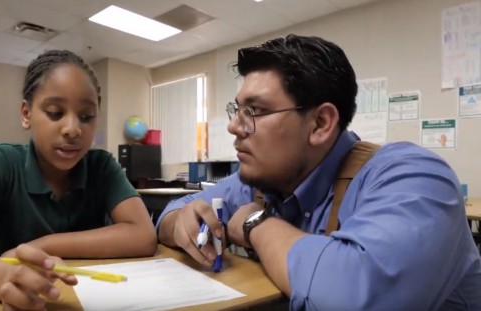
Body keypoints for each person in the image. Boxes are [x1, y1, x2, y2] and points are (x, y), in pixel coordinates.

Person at [157, 34, 481, 310]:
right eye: (236, 110)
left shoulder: (413, 177)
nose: (232, 126)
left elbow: (355, 296)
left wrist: (255, 222)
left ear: (321, 124)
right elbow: (171, 214)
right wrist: (181, 225)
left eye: (254, 111)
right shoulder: (261, 182)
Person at [0, 50, 157, 311]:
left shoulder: (102, 166)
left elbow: (143, 234)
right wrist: (7, 278)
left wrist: (41, 245)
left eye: (86, 117)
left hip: (85, 299)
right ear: (26, 114)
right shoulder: (1, 161)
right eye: (54, 112)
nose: (73, 128)